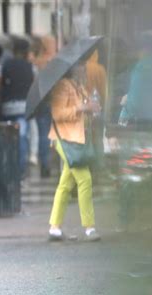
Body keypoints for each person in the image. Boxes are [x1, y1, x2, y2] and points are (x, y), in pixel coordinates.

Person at [47, 61, 101, 242]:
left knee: (66, 184)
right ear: (72, 69)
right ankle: (89, 227)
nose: (84, 69)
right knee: (85, 179)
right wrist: (81, 108)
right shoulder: (62, 86)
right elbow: (57, 114)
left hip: (76, 139)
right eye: (80, 66)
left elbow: (84, 109)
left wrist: (91, 107)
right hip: (65, 139)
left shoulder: (79, 87)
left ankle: (55, 227)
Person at [0, 38, 34, 179]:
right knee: (22, 139)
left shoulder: (6, 65)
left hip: (7, 107)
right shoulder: (29, 67)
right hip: (23, 107)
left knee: (8, 139)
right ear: (25, 52)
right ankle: (20, 171)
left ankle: (8, 169)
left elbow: (1, 84)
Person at [31, 35, 57, 178]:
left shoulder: (36, 62)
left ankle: (45, 164)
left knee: (43, 134)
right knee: (52, 134)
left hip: (40, 101)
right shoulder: (51, 61)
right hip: (51, 101)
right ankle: (49, 164)